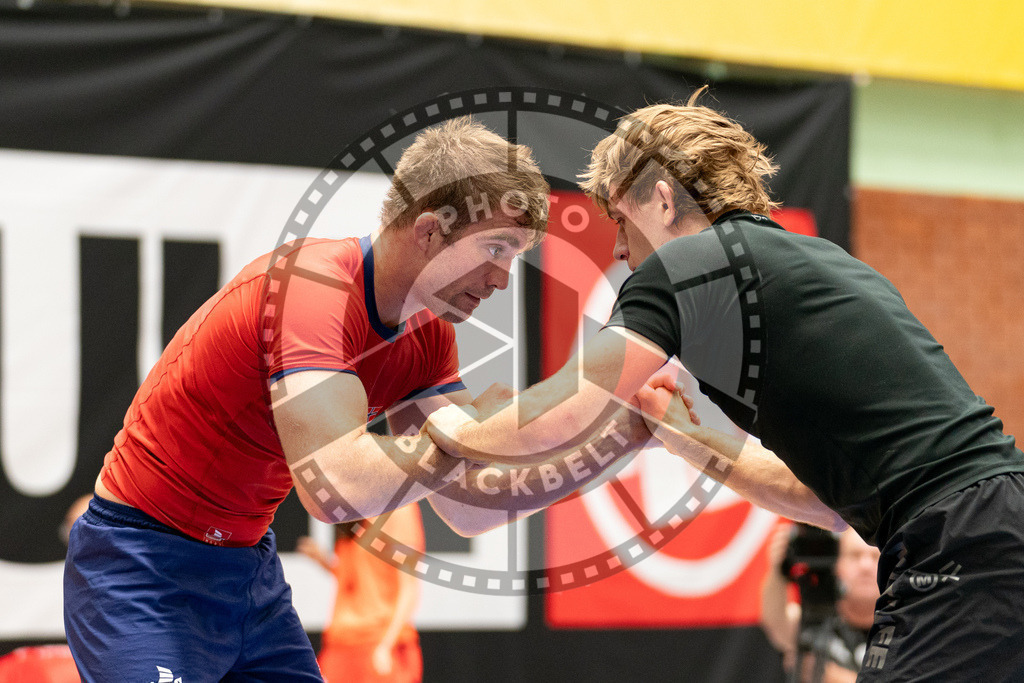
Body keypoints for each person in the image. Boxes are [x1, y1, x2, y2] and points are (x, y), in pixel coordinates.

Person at [425, 90, 1024, 680]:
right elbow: (827, 503)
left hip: (958, 542)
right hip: (994, 525)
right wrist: (692, 440)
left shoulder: (690, 265)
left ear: (661, 199)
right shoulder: (822, 264)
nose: (619, 247)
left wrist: (450, 422)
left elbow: (562, 412)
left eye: (619, 219)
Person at [64, 117, 660, 681]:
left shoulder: (428, 334)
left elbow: (468, 509)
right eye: (497, 249)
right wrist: (482, 434)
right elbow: (335, 487)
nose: (503, 279)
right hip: (140, 562)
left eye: (515, 257)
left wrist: (618, 438)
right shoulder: (312, 286)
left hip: (245, 570)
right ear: (429, 229)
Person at [297, 503, 424, 683]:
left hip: (377, 643)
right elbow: (359, 578)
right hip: (341, 644)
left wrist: (385, 645)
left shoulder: (399, 510)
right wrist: (323, 561)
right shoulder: (355, 511)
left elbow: (409, 587)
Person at [760, 524, 880, 682]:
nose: (865, 566)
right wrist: (779, 569)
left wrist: (838, 679)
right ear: (836, 563)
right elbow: (777, 622)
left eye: (875, 557)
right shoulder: (817, 616)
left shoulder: (904, 625)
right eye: (854, 555)